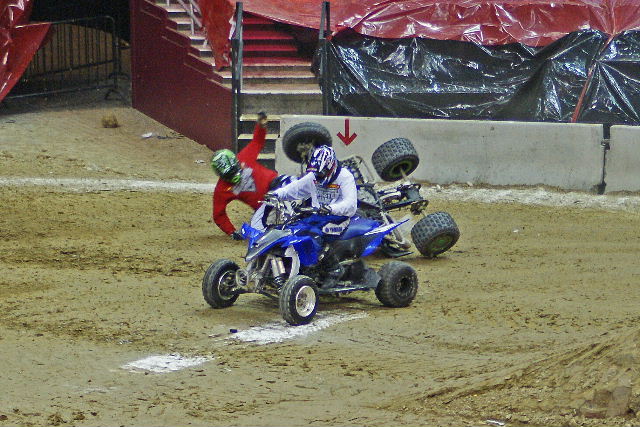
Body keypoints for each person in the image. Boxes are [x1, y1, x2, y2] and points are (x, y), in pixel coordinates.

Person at [270, 145, 358, 285]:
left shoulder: (345, 176)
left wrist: (331, 208)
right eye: (316, 173)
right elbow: (295, 188)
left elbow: (351, 205)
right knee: (292, 230)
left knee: (313, 235)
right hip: (317, 216)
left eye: (321, 173)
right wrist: (277, 194)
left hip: (339, 218)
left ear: (330, 166)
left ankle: (333, 269)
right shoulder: (313, 176)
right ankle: (292, 266)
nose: (318, 176)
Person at [210, 112, 278, 239]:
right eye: (229, 175)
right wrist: (231, 231)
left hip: (278, 185)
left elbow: (257, 142)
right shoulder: (222, 189)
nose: (234, 176)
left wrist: (260, 126)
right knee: (265, 234)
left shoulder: (244, 157)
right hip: (266, 206)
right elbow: (218, 214)